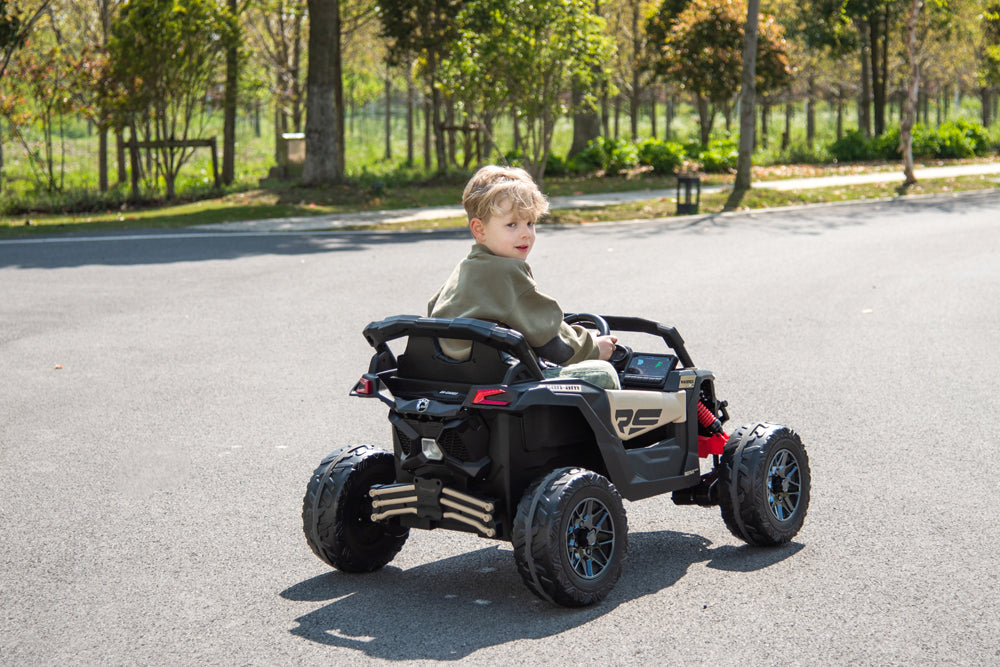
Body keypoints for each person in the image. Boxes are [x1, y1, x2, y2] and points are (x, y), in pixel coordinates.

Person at [427, 165, 621, 389]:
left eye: (530, 223)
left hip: (457, 380)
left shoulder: (463, 271)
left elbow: (434, 309)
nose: (525, 233)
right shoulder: (506, 272)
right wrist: (593, 348)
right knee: (604, 373)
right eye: (512, 224)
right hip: (505, 382)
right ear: (479, 229)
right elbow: (551, 338)